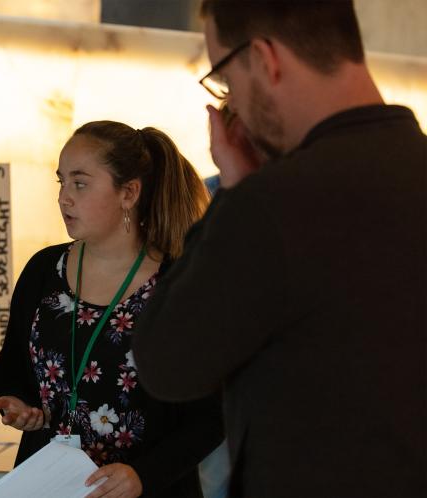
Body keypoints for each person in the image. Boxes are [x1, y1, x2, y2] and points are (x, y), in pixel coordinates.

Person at [132, 2, 426, 498]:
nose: (232, 104)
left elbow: (165, 361)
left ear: (265, 59)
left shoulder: (272, 204)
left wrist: (235, 189)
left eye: (225, 80)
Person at [0, 120, 223, 498]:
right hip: (47, 484)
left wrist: (143, 475)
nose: (64, 197)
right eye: (61, 181)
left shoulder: (178, 287)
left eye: (80, 183)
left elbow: (211, 417)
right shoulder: (42, 270)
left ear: (128, 192)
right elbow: (12, 365)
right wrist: (19, 404)